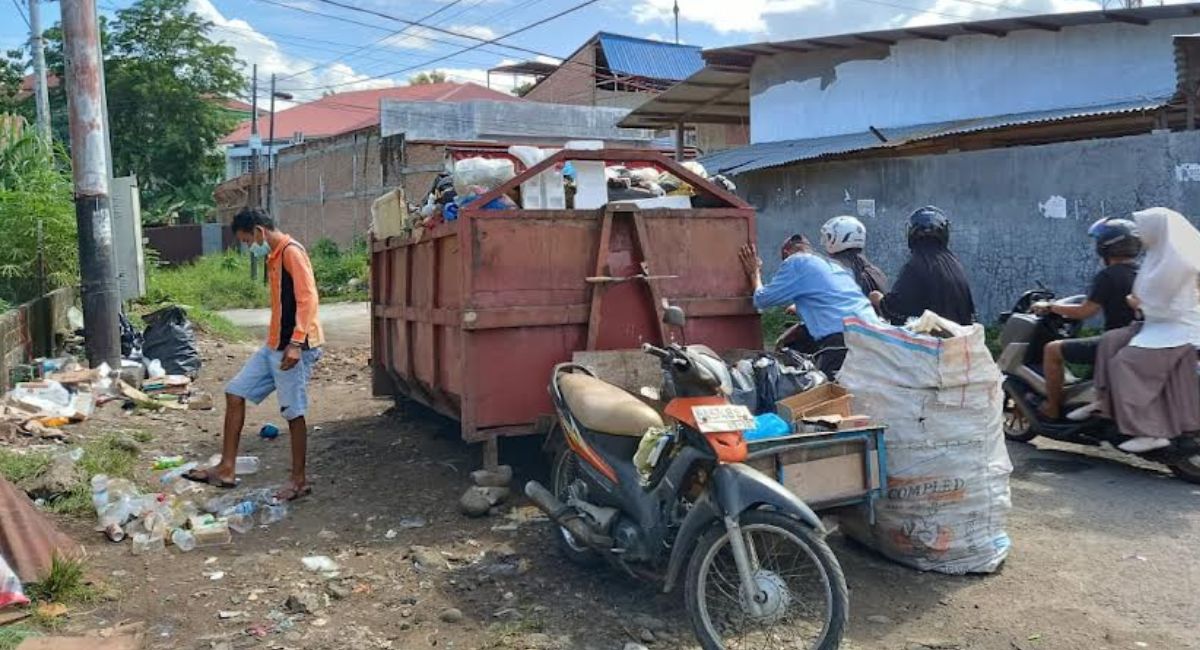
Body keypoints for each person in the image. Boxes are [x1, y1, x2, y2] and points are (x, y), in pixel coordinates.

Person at [185, 208, 325, 501]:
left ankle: (299, 481)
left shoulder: (291, 252)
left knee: (293, 411)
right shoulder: (273, 256)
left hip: (295, 348)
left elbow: (308, 298)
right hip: (274, 345)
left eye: (248, 240)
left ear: (259, 231)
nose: (249, 246)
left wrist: (297, 343)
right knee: (235, 392)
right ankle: (226, 468)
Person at [1092, 207, 1200, 453]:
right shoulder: (1161, 256)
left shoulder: (1175, 263)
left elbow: (1156, 302)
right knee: (1110, 341)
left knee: (1123, 364)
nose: (1140, 233)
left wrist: (1137, 302)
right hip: (1156, 325)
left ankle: (1150, 431)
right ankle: (1104, 404)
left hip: (1173, 330)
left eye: (1145, 227)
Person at [1033, 217, 1140, 420]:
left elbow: (1085, 312)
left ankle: (1052, 407)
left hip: (1114, 342)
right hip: (1136, 341)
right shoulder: (1141, 272)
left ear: (1104, 247)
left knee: (1052, 349)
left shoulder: (1108, 276)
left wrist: (1050, 306)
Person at [740, 235, 881, 377]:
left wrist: (754, 272)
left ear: (787, 252)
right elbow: (834, 300)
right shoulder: (831, 265)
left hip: (840, 340)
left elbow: (762, 299)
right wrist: (801, 309)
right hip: (870, 338)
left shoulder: (796, 261)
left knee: (831, 393)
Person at [869, 206, 975, 326]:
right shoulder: (955, 264)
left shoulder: (916, 266)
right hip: (959, 336)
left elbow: (897, 308)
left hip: (932, 340)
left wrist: (879, 300)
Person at [820, 215, 888, 296]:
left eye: (828, 237)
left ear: (837, 238)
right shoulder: (875, 272)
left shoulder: (834, 274)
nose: (823, 243)